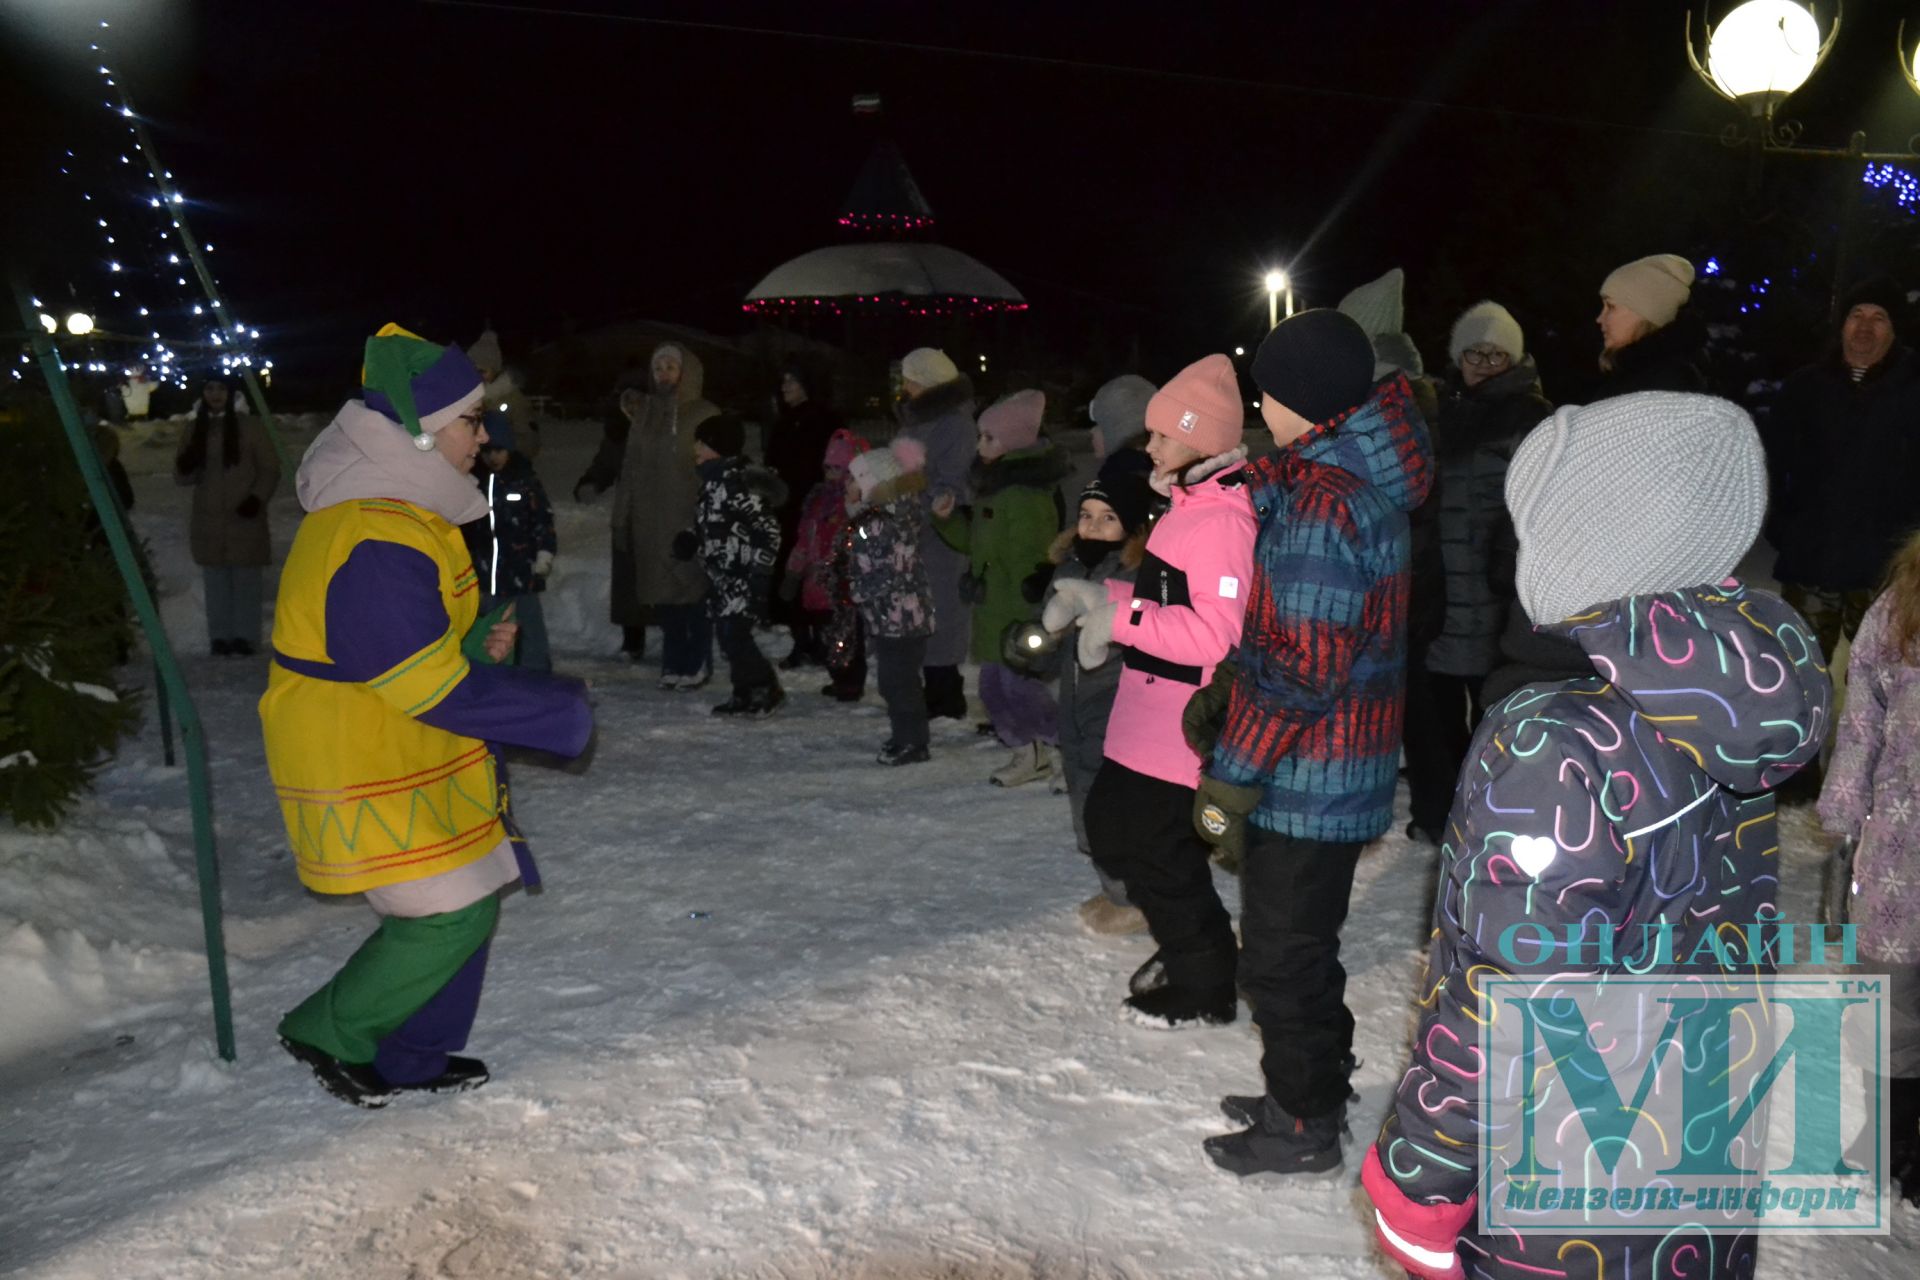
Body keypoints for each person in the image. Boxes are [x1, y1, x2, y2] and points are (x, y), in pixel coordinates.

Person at [1363, 392, 1827, 1279]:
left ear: (1589, 543)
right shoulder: (1730, 704)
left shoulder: (1552, 743)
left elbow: (1502, 989)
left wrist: (1419, 1181)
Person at [262, 324, 593, 1107]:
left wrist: (474, 639)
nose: (486, 435)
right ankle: (327, 1028)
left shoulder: (397, 513)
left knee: (469, 899)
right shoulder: (374, 531)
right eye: (471, 421)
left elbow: (401, 641)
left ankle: (412, 1055)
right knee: (445, 917)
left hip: (397, 745)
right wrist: (554, 713)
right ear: (416, 432)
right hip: (360, 753)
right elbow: (416, 678)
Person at [1181, 310, 1432, 1177]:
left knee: (1281, 958)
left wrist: (1233, 774)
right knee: (1303, 945)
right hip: (1341, 763)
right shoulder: (1346, 478)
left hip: (1306, 772)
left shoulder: (1326, 506)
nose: (1260, 407)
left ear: (1301, 400)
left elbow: (1300, 669)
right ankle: (1314, 1081)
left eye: (1266, 394)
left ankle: (1301, 1124)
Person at [1043, 354, 1255, 1027]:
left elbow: (1217, 636)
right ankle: (1200, 950)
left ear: (1201, 438)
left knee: (1157, 856)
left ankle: (1206, 982)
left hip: (1178, 727)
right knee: (1114, 830)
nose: (1152, 446)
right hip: (1145, 716)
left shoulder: (1223, 519)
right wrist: (1099, 594)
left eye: (1164, 435)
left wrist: (1124, 620)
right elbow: (1167, 598)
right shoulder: (1188, 506)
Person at [1402, 301, 1550, 845]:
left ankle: (1495, 816)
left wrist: (1509, 566)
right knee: (1437, 718)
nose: (1486, 362)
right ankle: (1441, 814)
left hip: (1497, 596)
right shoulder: (1438, 412)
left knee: (1498, 719)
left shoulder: (1534, 418)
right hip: (1441, 594)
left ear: (1515, 358)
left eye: (1498, 353)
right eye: (1474, 351)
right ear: (1456, 356)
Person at [1819, 528, 1920, 1208]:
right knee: (1890, 1005)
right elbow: (1862, 724)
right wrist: (1845, 815)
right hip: (1900, 851)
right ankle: (1884, 1138)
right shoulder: (1899, 608)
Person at [1764, 276, 1920, 665]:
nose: (1865, 326)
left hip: (1887, 572)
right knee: (1797, 673)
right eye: (1856, 315)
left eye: (1879, 317)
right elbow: (1773, 463)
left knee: (1886, 680)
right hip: (1812, 560)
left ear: (1895, 328)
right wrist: (1784, 526)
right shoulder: (1805, 388)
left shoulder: (1914, 390)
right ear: (1842, 325)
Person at [1038, 464, 1154, 934]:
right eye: (1086, 515)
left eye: (1109, 517)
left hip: (1116, 703)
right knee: (1082, 793)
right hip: (1074, 702)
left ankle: (1131, 897)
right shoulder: (1068, 569)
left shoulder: (1139, 572)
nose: (1093, 526)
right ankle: (1116, 888)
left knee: (1108, 801)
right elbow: (1050, 635)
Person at [935, 389, 1069, 787]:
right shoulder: (993, 489)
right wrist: (948, 521)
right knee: (994, 690)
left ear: (1013, 441)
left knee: (1020, 687)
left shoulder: (1027, 495)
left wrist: (1033, 605)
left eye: (988, 438)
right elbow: (977, 545)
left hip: (1018, 612)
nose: (979, 445)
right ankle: (1026, 753)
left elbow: (1037, 556)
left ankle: (1061, 747)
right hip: (992, 609)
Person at [575, 343, 715, 688]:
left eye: (670, 367)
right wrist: (621, 520)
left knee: (691, 591)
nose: (663, 374)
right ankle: (674, 662)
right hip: (651, 522)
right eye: (657, 368)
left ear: (687, 372)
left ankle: (697, 662)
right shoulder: (645, 415)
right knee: (665, 594)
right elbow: (631, 470)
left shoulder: (703, 414)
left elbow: (717, 467)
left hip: (687, 517)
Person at [678, 413, 787, 717]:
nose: (695, 448)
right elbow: (709, 525)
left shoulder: (738, 485)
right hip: (721, 575)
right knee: (728, 637)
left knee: (734, 634)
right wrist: (691, 539)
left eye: (701, 443)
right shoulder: (712, 484)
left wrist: (760, 571)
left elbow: (768, 531)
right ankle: (744, 691)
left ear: (719, 447)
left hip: (743, 574)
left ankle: (765, 687)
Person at [894, 347, 976, 719]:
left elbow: (954, 480)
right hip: (912, 530)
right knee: (922, 612)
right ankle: (933, 687)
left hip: (939, 532)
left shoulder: (953, 425)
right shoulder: (917, 418)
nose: (904, 386)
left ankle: (946, 694)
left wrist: (924, 507)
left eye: (909, 379)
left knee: (942, 612)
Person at [175, 373, 280, 657]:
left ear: (232, 393)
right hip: (209, 518)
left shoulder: (250, 427)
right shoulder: (195, 428)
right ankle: (220, 637)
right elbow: (182, 477)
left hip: (244, 515)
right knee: (216, 581)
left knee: (247, 581)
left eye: (221, 388)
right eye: (209, 388)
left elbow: (269, 467)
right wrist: (187, 465)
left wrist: (256, 498)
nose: (215, 394)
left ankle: (246, 637)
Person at [846, 438, 937, 766]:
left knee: (898, 683)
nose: (848, 484)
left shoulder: (881, 522)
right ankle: (908, 736)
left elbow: (881, 567)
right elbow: (862, 539)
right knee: (898, 680)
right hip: (901, 615)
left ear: (873, 484)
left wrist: (857, 591)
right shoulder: (891, 514)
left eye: (855, 479)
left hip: (899, 617)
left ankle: (912, 741)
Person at [460, 410, 557, 671]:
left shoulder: (523, 481)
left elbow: (542, 520)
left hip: (519, 574)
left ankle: (536, 675)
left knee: (528, 628)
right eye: (488, 450)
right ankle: (485, 673)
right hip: (481, 576)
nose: (493, 457)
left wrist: (544, 555)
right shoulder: (472, 481)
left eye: (499, 450)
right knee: (487, 630)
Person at [764, 359, 844, 668]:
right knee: (792, 573)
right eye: (783, 381)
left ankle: (825, 641)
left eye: (792, 381)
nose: (785, 387)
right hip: (789, 509)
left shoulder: (824, 419)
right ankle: (801, 641)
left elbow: (837, 461)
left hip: (820, 510)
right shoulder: (784, 421)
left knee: (821, 576)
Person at [785, 429, 870, 701]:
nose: (832, 473)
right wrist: (792, 572)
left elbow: (867, 537)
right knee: (826, 634)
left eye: (838, 468)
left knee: (845, 634)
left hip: (843, 583)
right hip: (816, 582)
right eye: (828, 467)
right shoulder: (817, 502)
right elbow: (803, 540)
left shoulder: (854, 504)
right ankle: (838, 675)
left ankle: (850, 680)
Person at [1594, 252, 1705, 394]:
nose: (1600, 318)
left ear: (1643, 313)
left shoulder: (1665, 384)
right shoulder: (1634, 374)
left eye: (1611, 306)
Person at [468, 328, 538, 459]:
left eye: (483, 371)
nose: (478, 377)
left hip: (506, 466)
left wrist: (501, 448)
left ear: (495, 369)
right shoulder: (465, 399)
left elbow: (529, 441)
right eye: (473, 371)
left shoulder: (513, 398)